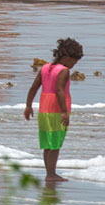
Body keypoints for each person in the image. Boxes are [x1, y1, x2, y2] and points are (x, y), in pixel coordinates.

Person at [24, 36, 83, 183]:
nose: (74, 64)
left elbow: (34, 87)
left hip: (44, 109)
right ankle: (51, 174)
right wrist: (64, 112)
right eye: (74, 61)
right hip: (56, 110)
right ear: (67, 57)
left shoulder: (45, 68)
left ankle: (49, 172)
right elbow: (59, 91)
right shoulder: (63, 71)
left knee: (47, 143)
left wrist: (29, 105)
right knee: (55, 144)